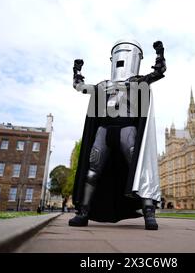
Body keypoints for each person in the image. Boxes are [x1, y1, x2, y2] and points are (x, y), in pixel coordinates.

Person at [68, 39, 166, 230]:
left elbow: (158, 73)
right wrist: (77, 72)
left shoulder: (136, 81)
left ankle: (149, 213)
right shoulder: (104, 84)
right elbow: (80, 87)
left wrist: (160, 54)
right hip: (104, 129)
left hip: (127, 128)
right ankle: (84, 212)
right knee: (92, 170)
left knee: (139, 168)